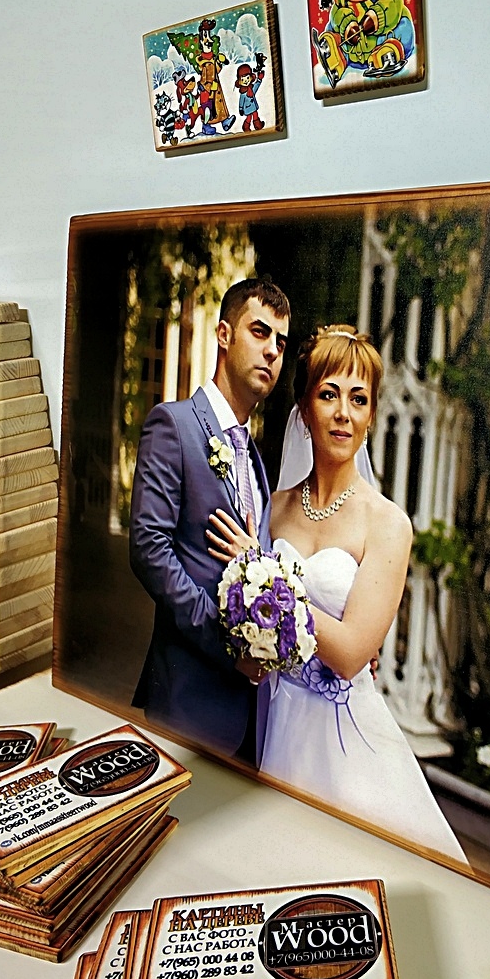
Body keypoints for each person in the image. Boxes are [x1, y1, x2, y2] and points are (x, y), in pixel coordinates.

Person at [207, 325, 468, 864]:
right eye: (328, 394)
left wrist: (266, 576)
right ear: (304, 408)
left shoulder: (388, 524)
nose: (344, 413)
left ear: (371, 415)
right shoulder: (274, 506)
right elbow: (249, 638)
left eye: (359, 399)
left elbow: (350, 653)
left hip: (345, 739)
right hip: (279, 724)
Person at [130, 278, 290, 761]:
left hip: (251, 721)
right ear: (224, 334)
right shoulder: (174, 425)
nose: (272, 351)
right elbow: (149, 550)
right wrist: (228, 643)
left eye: (281, 343)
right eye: (259, 332)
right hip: (187, 704)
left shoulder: (255, 460)